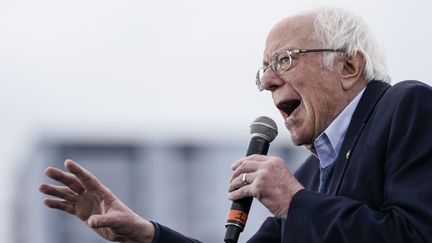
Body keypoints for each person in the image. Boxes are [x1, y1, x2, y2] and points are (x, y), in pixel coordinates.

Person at [39, 6, 432, 243]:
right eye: (263, 70)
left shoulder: (407, 105)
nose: (267, 81)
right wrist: (148, 235)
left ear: (349, 65)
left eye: (284, 60)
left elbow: (416, 235)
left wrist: (293, 201)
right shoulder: (312, 172)